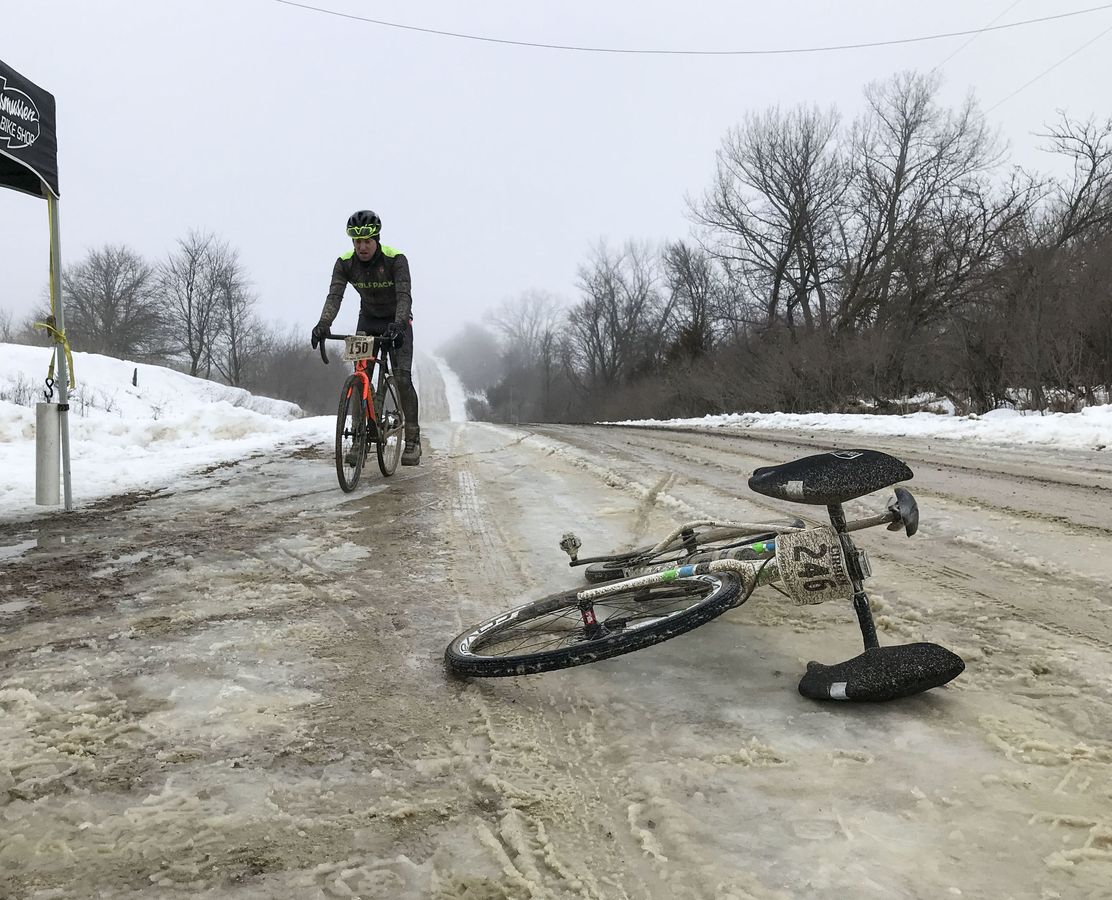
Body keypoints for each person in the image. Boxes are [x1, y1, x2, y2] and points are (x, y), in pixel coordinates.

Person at [311, 210, 421, 466]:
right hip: (368, 321)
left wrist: (399, 325)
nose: (361, 247)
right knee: (360, 378)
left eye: (367, 241)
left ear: (377, 239)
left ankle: (413, 440)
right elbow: (334, 296)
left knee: (402, 377)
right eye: (356, 241)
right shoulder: (344, 263)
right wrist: (323, 324)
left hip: (397, 320)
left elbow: (404, 296)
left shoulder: (395, 260)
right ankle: (360, 439)